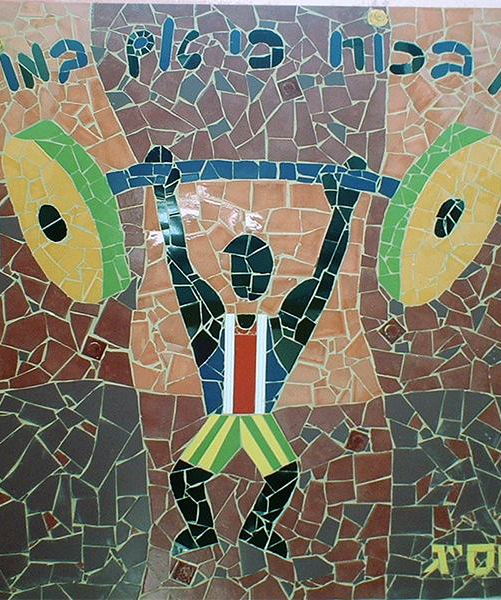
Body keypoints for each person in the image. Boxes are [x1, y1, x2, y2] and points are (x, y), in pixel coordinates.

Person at [145, 146, 367, 558]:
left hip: (258, 422)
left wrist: (343, 211)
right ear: (232, 273)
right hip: (224, 422)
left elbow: (324, 277)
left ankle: (256, 530)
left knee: (282, 475)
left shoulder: (277, 329)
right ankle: (205, 532)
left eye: (254, 271)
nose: (246, 278)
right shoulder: (215, 325)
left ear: (266, 276)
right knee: (187, 478)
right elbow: (179, 265)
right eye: (240, 269)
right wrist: (164, 198)